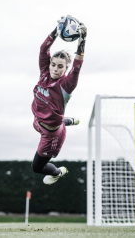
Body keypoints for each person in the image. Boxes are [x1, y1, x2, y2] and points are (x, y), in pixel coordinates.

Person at [31, 16, 87, 185]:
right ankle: (67, 120)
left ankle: (58, 172)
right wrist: (56, 31)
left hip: (51, 134)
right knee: (51, 118)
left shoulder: (66, 85)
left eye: (60, 66)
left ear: (66, 68)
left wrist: (83, 39)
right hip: (37, 121)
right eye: (53, 64)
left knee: (37, 168)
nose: (55, 68)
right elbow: (43, 50)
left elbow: (77, 66)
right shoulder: (44, 72)